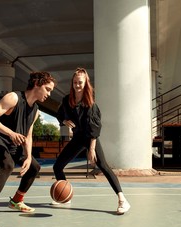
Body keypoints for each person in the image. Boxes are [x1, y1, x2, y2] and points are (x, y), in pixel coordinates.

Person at [0, 71, 56, 227]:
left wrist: (27, 156)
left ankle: (16, 201)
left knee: (34, 167)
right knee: (7, 165)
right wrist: (11, 133)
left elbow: (29, 135)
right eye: (47, 89)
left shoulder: (35, 110)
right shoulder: (13, 97)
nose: (49, 93)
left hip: (14, 143)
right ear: (37, 84)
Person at [53, 68, 130, 215]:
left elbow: (94, 127)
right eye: (75, 82)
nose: (77, 85)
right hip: (77, 138)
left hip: (89, 138)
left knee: (103, 165)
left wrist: (92, 148)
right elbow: (59, 114)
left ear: (86, 83)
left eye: (80, 82)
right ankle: (65, 196)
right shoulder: (66, 100)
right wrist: (64, 120)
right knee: (58, 167)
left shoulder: (90, 103)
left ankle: (122, 200)